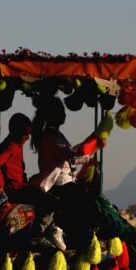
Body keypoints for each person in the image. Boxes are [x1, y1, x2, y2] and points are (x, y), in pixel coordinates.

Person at [30, 96, 112, 249]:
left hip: (61, 182)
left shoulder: (50, 135)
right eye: (62, 112)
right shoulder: (54, 137)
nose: (65, 115)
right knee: (90, 206)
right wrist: (89, 157)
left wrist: (93, 147)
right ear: (56, 115)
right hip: (61, 184)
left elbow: (70, 152)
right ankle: (68, 233)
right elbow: (73, 158)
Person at [0, 113, 65, 250]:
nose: (27, 138)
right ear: (18, 132)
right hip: (17, 190)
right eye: (25, 134)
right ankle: (38, 233)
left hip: (21, 186)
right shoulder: (11, 147)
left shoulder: (16, 145)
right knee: (51, 202)